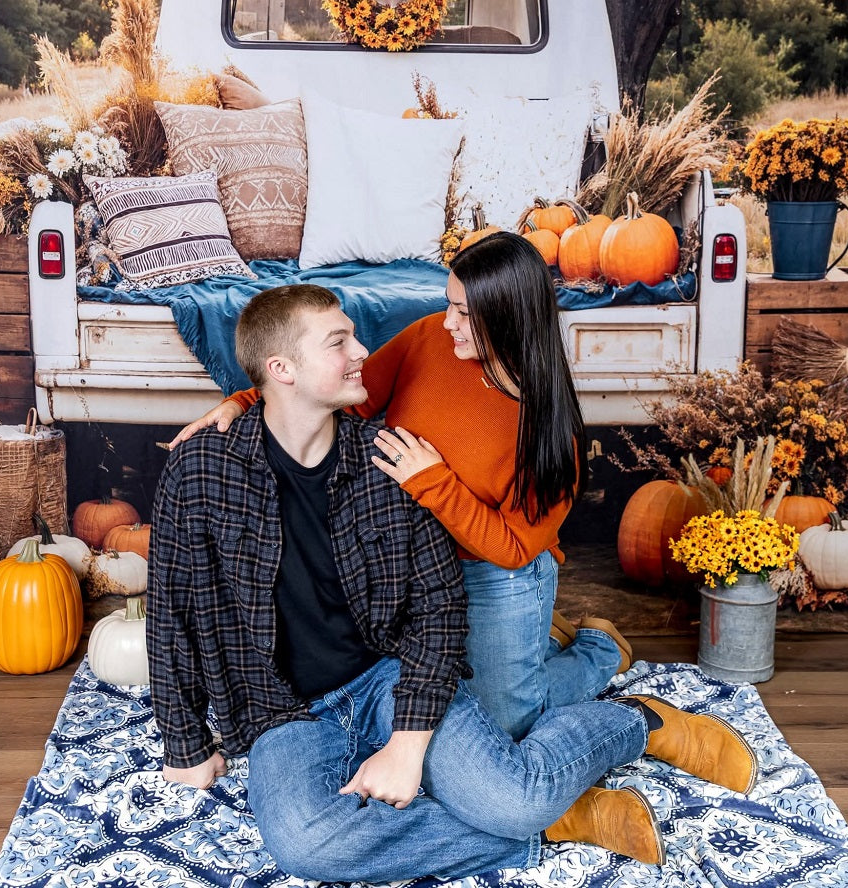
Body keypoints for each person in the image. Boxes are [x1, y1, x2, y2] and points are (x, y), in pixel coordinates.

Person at [148, 282, 759, 883]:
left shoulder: (393, 463)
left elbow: (439, 610)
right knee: (307, 845)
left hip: (389, 679)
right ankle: (554, 822)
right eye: (339, 342)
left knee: (511, 793)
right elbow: (172, 610)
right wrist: (185, 745)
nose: (362, 351)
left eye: (355, 336)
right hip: (282, 710)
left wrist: (408, 743)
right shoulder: (201, 469)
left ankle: (636, 723)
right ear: (281, 369)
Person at [171, 232, 627, 739]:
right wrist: (243, 401)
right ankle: (533, 644)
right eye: (448, 304)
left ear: (508, 315)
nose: (447, 321)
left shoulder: (549, 430)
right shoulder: (430, 337)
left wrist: (432, 481)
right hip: (411, 564)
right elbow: (345, 395)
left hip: (493, 573)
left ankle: (596, 650)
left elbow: (513, 548)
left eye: (463, 313)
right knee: (434, 708)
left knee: (504, 726)